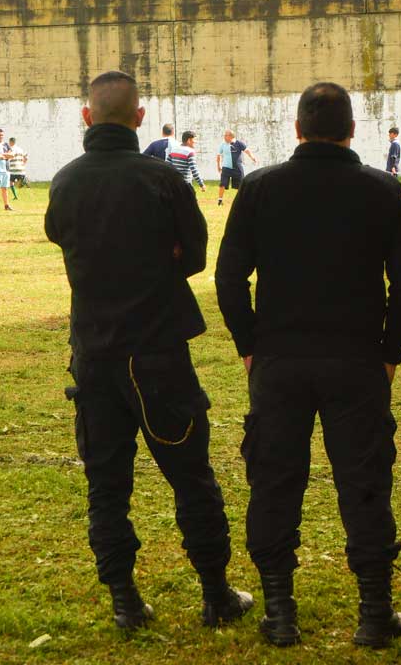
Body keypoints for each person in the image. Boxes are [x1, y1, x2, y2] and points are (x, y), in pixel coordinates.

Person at [216, 82, 401, 649]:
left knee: (275, 482)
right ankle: (375, 614)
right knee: (365, 483)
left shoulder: (260, 188)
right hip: (356, 359)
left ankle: (281, 611)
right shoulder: (383, 190)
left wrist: (248, 344)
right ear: (352, 129)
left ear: (298, 129)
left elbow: (230, 278)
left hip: (279, 359)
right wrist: (390, 353)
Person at [45, 71, 251, 631]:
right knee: (191, 476)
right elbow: (194, 258)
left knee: (106, 486)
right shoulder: (163, 182)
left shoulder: (64, 183)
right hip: (157, 353)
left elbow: (61, 239)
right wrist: (160, 260)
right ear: (139, 118)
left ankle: (125, 601)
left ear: (87, 118)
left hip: (92, 355)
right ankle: (216, 594)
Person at [215, 130, 256, 206]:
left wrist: (252, 157)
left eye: (226, 135)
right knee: (222, 184)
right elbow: (218, 155)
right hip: (226, 168)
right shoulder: (222, 145)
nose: (224, 137)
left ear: (231, 136)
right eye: (224, 135)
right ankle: (220, 200)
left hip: (237, 168)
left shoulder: (239, 143)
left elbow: (247, 151)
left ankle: (242, 200)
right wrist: (219, 165)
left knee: (240, 185)